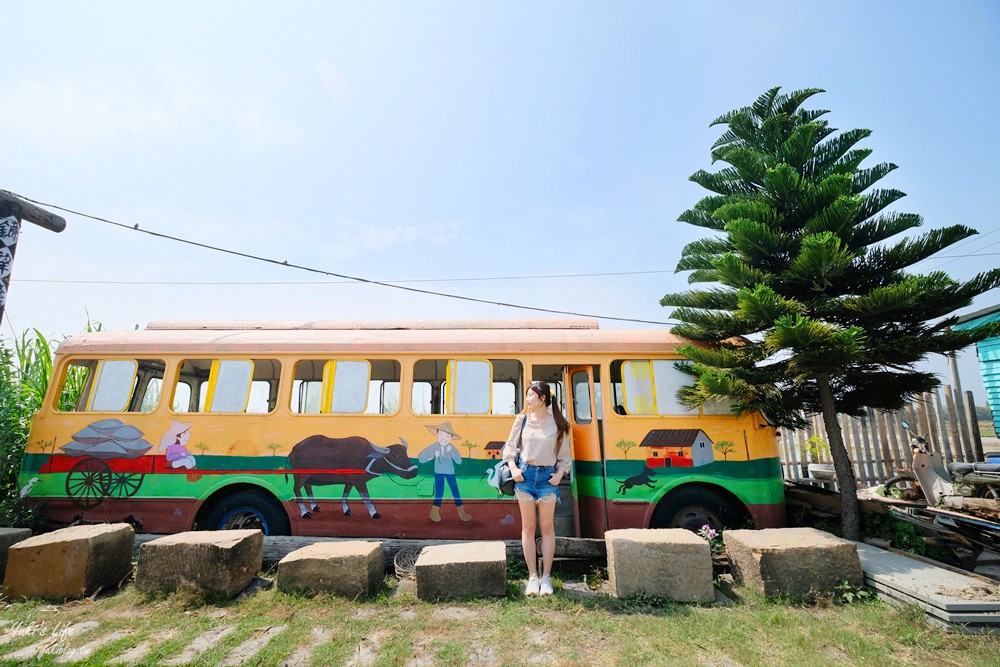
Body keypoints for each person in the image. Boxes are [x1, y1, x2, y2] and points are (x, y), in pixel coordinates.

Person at [502, 380, 571, 597]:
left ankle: (547, 577)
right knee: (528, 529)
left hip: (547, 480)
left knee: (548, 528)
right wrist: (513, 469)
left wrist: (559, 475)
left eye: (530, 395)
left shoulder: (559, 424)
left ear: (542, 399)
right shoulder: (521, 421)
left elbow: (565, 458)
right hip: (525, 476)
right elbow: (509, 449)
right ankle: (533, 576)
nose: (527, 399)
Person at [418, 421, 472, 522]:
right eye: (441, 435)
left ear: (451, 438)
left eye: (447, 436)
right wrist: (432, 456)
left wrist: (451, 451)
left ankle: (462, 513)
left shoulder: (451, 448)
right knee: (439, 492)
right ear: (437, 434)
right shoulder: (434, 447)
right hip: (438, 472)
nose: (444, 438)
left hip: (450, 472)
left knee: (455, 491)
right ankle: (434, 512)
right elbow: (421, 457)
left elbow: (459, 461)